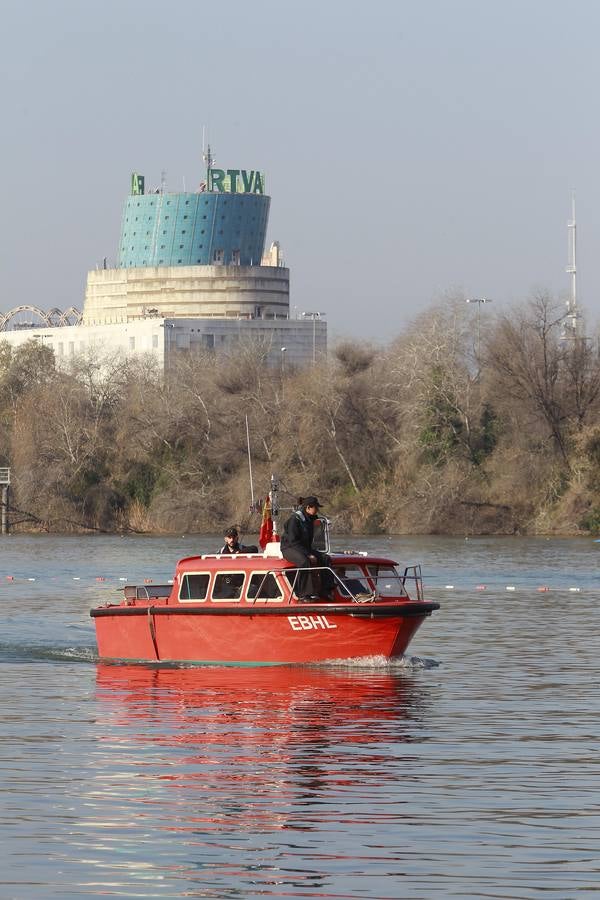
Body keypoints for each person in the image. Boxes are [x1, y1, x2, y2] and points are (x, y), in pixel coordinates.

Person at [280, 496, 333, 600]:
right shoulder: (294, 520)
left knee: (325, 558)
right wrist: (308, 554)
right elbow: (293, 541)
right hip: (289, 548)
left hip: (303, 547)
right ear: (308, 508)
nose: (317, 510)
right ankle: (304, 594)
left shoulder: (310, 519)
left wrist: (310, 552)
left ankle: (325, 589)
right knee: (304, 561)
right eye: (316, 508)